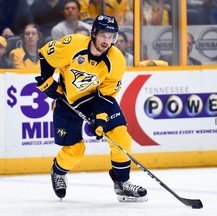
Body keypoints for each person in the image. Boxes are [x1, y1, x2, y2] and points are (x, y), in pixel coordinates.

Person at [35, 14, 148, 202]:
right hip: (68, 101)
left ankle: (122, 184)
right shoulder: (73, 45)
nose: (107, 41)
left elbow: (106, 94)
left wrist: (101, 118)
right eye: (103, 35)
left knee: (120, 135)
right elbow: (45, 55)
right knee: (75, 150)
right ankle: (58, 171)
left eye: (111, 36)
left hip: (95, 99)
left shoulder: (116, 60)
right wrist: (48, 81)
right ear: (94, 33)